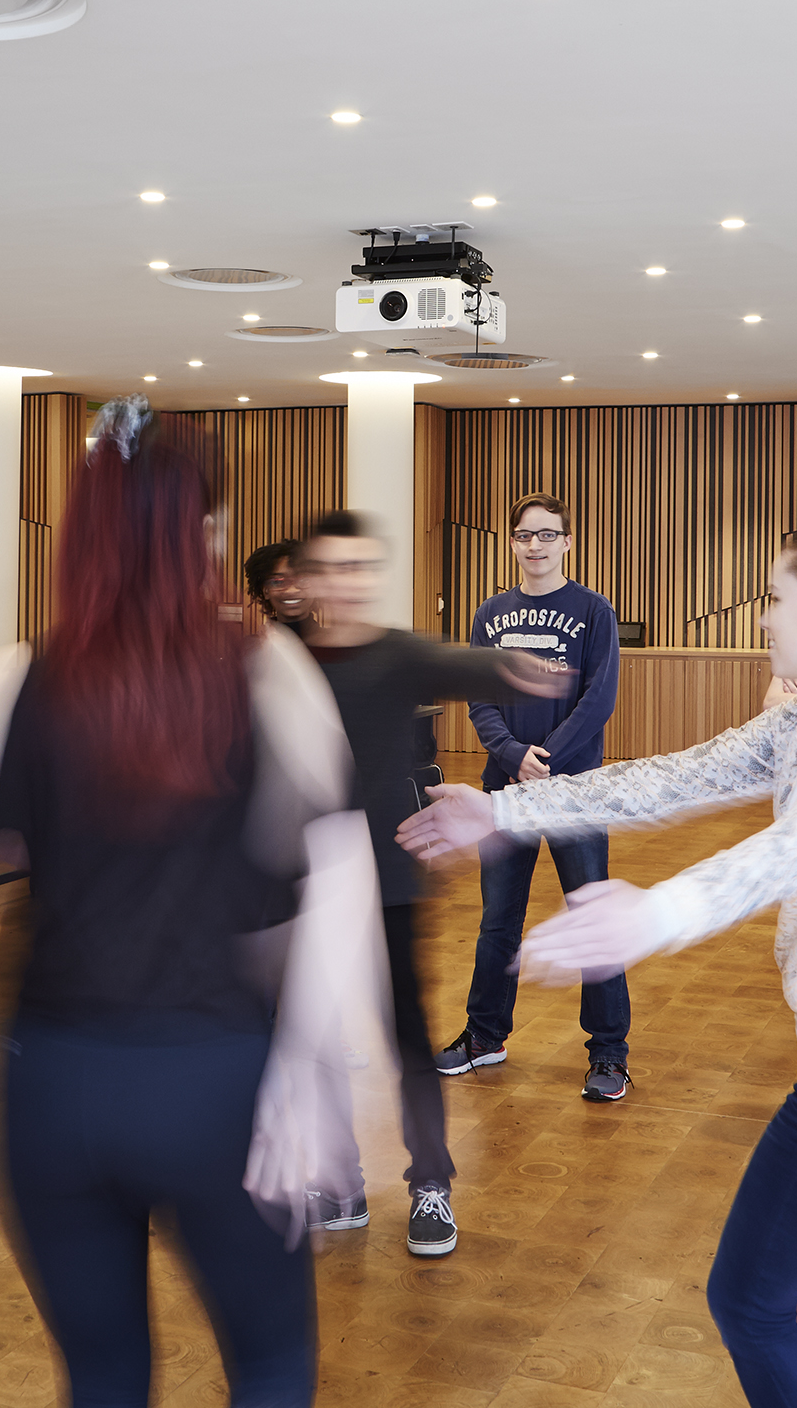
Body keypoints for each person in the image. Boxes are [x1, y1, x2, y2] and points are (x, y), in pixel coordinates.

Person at [401, 514, 797, 1407]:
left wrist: (654, 913)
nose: (762, 617)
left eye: (775, 598)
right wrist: (503, 811)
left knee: (750, 1303)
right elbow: (671, 776)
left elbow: (781, 854)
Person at [0, 399, 373, 1408]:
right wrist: (310, 1072)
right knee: (269, 1367)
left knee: (104, 1376)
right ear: (196, 535)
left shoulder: (7, 681)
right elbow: (338, 878)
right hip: (215, 1080)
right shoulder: (268, 672)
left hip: (48, 1082)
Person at [289, 511, 560, 1256]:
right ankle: (338, 1183)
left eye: (358, 567)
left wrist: (521, 667)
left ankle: (430, 1183)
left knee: (404, 1034)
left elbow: (466, 663)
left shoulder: (397, 653)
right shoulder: (287, 663)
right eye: (330, 569)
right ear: (309, 581)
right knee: (314, 1037)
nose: (345, 583)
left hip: (389, 876)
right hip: (308, 879)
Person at [438, 493, 629, 1101]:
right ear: (513, 543)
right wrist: (511, 754)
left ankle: (609, 1053)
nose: (535, 545)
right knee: (498, 920)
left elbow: (600, 697)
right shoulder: (490, 614)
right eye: (525, 535)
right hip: (505, 790)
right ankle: (484, 1035)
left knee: (589, 915)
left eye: (548, 534)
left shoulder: (593, 610)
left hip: (573, 790)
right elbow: (480, 698)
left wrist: (545, 757)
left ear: (567, 542)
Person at [243, 539, 309, 634]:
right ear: (265, 590)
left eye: (303, 580)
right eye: (278, 582)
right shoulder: (254, 643)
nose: (291, 590)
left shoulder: (329, 641)